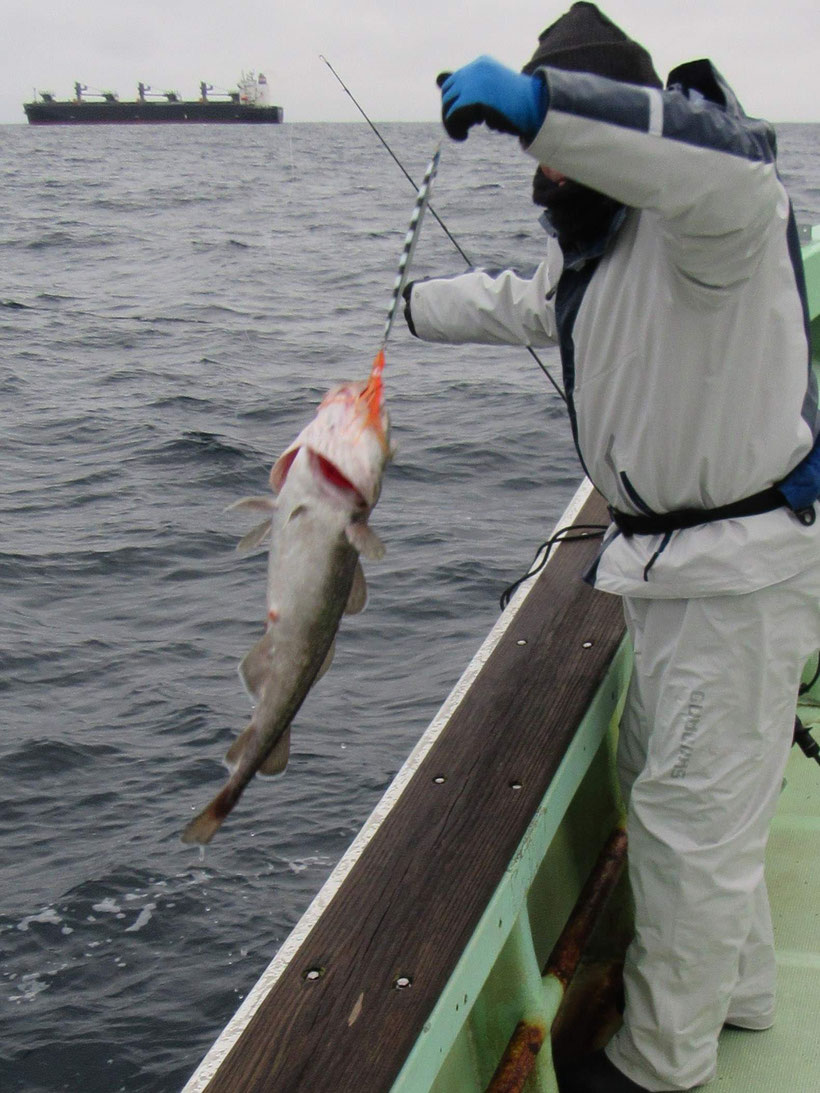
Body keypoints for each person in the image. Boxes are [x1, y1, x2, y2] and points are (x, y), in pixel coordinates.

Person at [403, 4, 820, 1091]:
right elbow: (525, 303)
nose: (543, 183)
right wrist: (411, 309)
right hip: (671, 577)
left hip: (736, 578)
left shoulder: (717, 216)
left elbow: (715, 161)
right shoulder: (604, 249)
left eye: (555, 156)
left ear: (610, 133)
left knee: (690, 822)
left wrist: (539, 107)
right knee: (673, 787)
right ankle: (738, 994)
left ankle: (657, 1068)